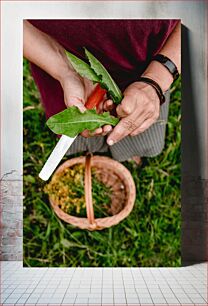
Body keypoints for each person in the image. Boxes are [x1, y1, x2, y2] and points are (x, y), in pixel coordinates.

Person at [23, 20, 181, 162]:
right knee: (79, 136)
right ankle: (86, 149)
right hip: (59, 67)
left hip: (148, 67)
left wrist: (156, 79)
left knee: (139, 134)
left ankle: (130, 152)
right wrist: (66, 71)